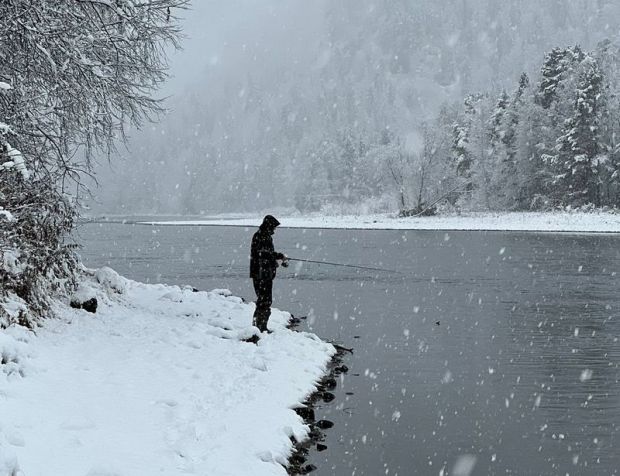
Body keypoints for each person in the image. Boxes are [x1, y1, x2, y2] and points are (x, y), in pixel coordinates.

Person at [250, 215, 288, 333]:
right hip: (262, 274)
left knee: (264, 300)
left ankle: (260, 327)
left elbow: (267, 254)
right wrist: (279, 257)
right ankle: (259, 328)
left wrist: (279, 257)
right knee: (264, 300)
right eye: (273, 228)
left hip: (263, 274)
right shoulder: (261, 236)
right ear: (268, 226)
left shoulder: (263, 235)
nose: (274, 230)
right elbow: (263, 254)